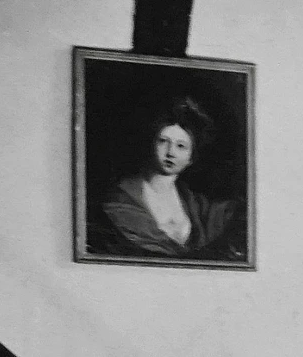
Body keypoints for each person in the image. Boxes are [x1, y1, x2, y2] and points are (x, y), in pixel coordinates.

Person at [94, 97, 242, 260]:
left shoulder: (198, 206)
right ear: (151, 144)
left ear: (190, 158)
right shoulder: (122, 198)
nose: (171, 152)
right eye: (163, 141)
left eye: (181, 146)